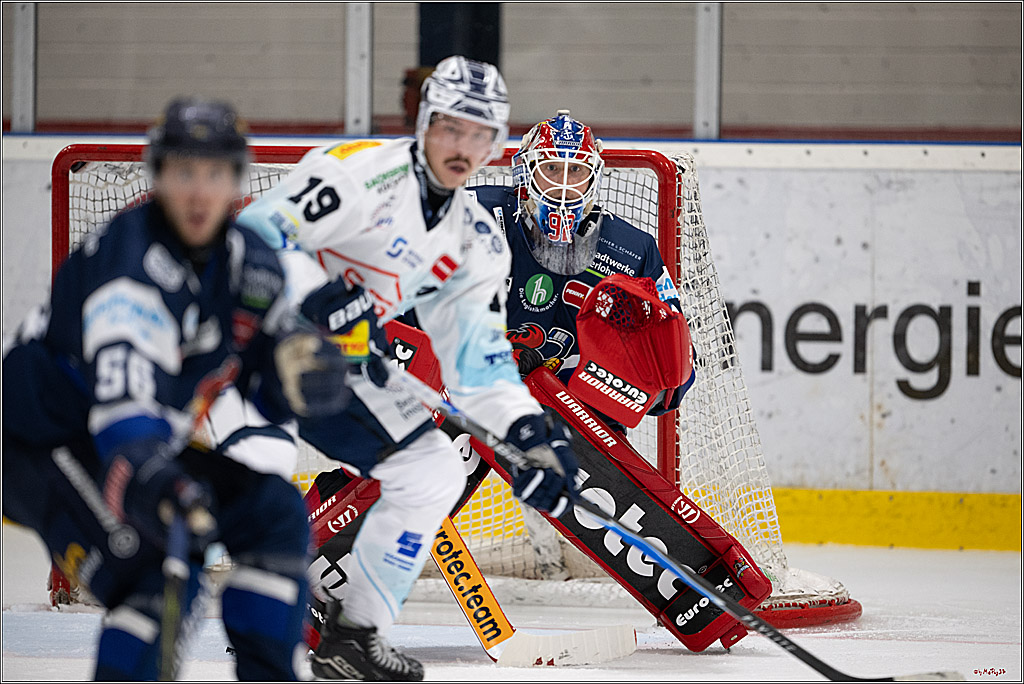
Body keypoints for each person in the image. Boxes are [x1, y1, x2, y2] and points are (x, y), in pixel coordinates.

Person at [233, 55, 580, 681]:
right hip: (248, 341)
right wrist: (313, 290)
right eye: (450, 127)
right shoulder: (358, 174)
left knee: (431, 471)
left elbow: (480, 364)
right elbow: (255, 234)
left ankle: (354, 635)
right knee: (259, 470)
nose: (462, 147)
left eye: (480, 134)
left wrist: (529, 432)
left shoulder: (476, 239)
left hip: (335, 363)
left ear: (498, 143)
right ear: (421, 121)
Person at [1, 97, 350, 681]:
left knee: (272, 514)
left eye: (214, 173)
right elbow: (124, 417)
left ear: (237, 180)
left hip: (134, 438)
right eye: (183, 171)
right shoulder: (131, 261)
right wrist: (163, 482)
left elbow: (266, 383)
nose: (198, 191)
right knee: (157, 564)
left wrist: (306, 380)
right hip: (40, 439)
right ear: (158, 175)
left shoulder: (249, 263)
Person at [466, 110, 695, 431]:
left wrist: (626, 378)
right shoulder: (476, 216)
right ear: (525, 173)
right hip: (472, 397)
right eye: (551, 168)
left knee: (593, 478)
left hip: (576, 414)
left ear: (594, 177)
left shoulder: (631, 250)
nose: (562, 183)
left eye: (575, 170)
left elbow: (675, 375)